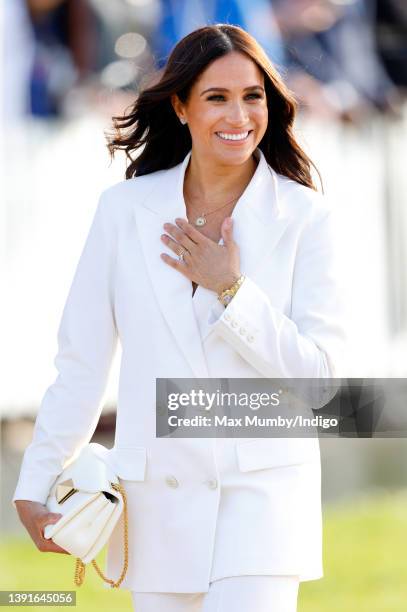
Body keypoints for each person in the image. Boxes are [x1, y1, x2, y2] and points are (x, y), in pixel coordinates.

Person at [13, 24, 346, 612]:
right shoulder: (123, 211)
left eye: (253, 95)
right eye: (217, 97)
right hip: (157, 507)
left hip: (262, 502)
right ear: (180, 106)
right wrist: (38, 477)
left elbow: (321, 382)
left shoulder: (304, 216)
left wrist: (231, 290)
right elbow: (82, 362)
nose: (238, 114)